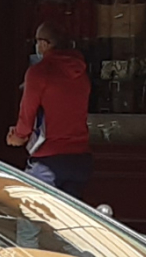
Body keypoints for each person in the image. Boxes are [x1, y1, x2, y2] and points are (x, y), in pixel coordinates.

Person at [7, 21, 92, 199]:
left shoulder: (39, 72)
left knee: (29, 216)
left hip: (48, 158)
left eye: (37, 41)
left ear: (45, 44)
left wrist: (17, 136)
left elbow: (27, 114)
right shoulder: (81, 72)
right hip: (80, 158)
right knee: (69, 220)